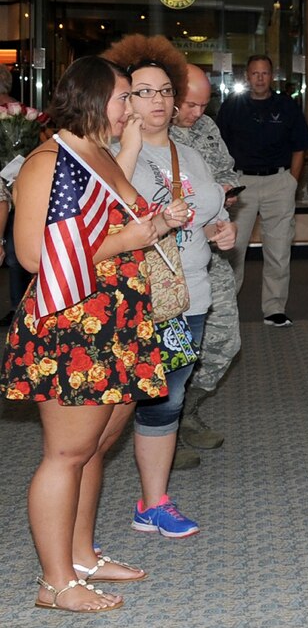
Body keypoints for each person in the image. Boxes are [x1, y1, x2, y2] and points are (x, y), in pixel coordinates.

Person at [8, 57, 192, 612]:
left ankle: (81, 557)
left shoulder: (96, 155)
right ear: (92, 99)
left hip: (113, 319)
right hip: (71, 323)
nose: (131, 107)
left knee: (91, 449)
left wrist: (159, 224)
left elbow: (114, 226)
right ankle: (55, 582)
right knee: (66, 453)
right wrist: (126, 239)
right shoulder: (48, 161)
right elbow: (35, 255)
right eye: (122, 97)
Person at [103, 43, 234, 535]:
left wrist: (223, 230)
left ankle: (153, 501)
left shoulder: (191, 154)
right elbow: (101, 225)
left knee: (169, 394)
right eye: (143, 92)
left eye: (164, 92)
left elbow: (214, 217)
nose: (157, 101)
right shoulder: (112, 155)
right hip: (135, 300)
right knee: (115, 406)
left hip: (186, 296)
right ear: (124, 100)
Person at [166, 68, 241, 452]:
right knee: (173, 350)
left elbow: (226, 169)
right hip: (169, 258)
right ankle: (164, 430)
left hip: (212, 249)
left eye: (203, 104)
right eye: (190, 104)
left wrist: (226, 190)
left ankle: (185, 411)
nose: (197, 112)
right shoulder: (152, 135)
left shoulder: (207, 127)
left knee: (224, 342)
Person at [217, 53, 308, 327]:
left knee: (279, 249)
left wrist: (292, 183)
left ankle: (274, 309)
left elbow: (300, 148)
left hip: (278, 183)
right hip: (240, 184)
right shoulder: (231, 107)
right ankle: (227, 310)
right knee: (232, 249)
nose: (260, 78)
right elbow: (219, 150)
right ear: (247, 77)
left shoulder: (287, 106)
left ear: (272, 77)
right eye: (254, 73)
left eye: (265, 73)